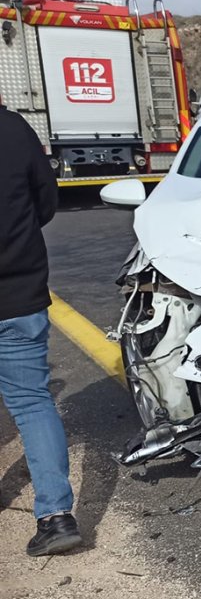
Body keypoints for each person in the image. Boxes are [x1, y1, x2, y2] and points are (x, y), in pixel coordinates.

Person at [0, 92, 82, 555]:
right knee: (32, 403)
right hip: (20, 292)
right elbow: (46, 202)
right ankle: (55, 516)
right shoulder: (15, 130)